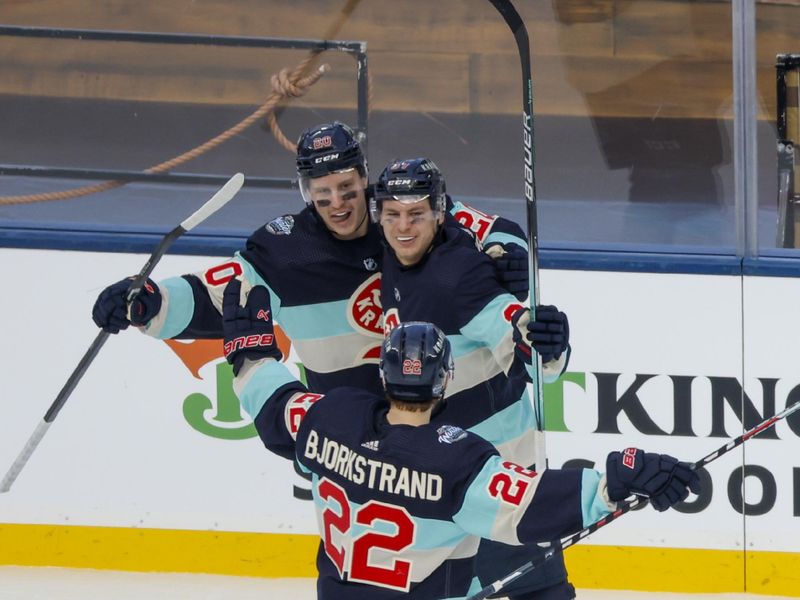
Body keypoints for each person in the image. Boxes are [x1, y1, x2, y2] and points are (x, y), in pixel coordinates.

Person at [221, 302, 700, 600]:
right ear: (445, 379)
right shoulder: (455, 462)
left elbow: (272, 403)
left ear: (384, 374)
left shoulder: (327, 417)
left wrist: (251, 358)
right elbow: (531, 506)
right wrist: (618, 480)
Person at [92, 122, 529, 396]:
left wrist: (510, 253)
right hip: (350, 434)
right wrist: (147, 301)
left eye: (347, 189)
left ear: (364, 178)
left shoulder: (403, 212)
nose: (337, 204)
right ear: (306, 192)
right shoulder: (287, 250)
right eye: (322, 195)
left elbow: (495, 227)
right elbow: (219, 293)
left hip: (444, 419)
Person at [371, 157, 575, 599]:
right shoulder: (397, 239)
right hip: (446, 473)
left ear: (438, 212)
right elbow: (494, 225)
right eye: (393, 215)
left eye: (416, 215)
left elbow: (516, 333)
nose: (404, 226)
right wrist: (507, 242)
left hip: (497, 467)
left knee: (536, 589)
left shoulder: (458, 276)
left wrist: (545, 343)